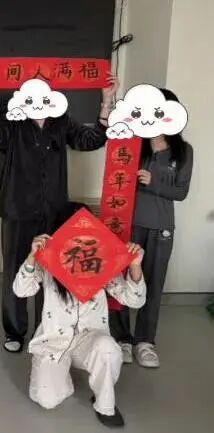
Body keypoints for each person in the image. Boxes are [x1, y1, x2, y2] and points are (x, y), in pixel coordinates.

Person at [0, 71, 119, 353]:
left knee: (52, 272)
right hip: (17, 211)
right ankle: (14, 332)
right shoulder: (14, 122)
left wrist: (106, 102)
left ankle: (47, 328)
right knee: (16, 271)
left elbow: (91, 140)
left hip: (53, 212)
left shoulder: (61, 121)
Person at [14, 233, 146, 428]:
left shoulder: (100, 264)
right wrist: (32, 256)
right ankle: (61, 374)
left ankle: (104, 404)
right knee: (47, 399)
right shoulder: (49, 263)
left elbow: (135, 300)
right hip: (55, 340)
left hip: (89, 338)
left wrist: (135, 265)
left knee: (108, 349)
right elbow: (21, 290)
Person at [109, 88, 194, 368]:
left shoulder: (183, 151)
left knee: (154, 284)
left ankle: (145, 342)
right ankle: (122, 338)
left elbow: (181, 192)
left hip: (160, 228)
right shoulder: (132, 144)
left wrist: (153, 182)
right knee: (121, 279)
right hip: (129, 224)